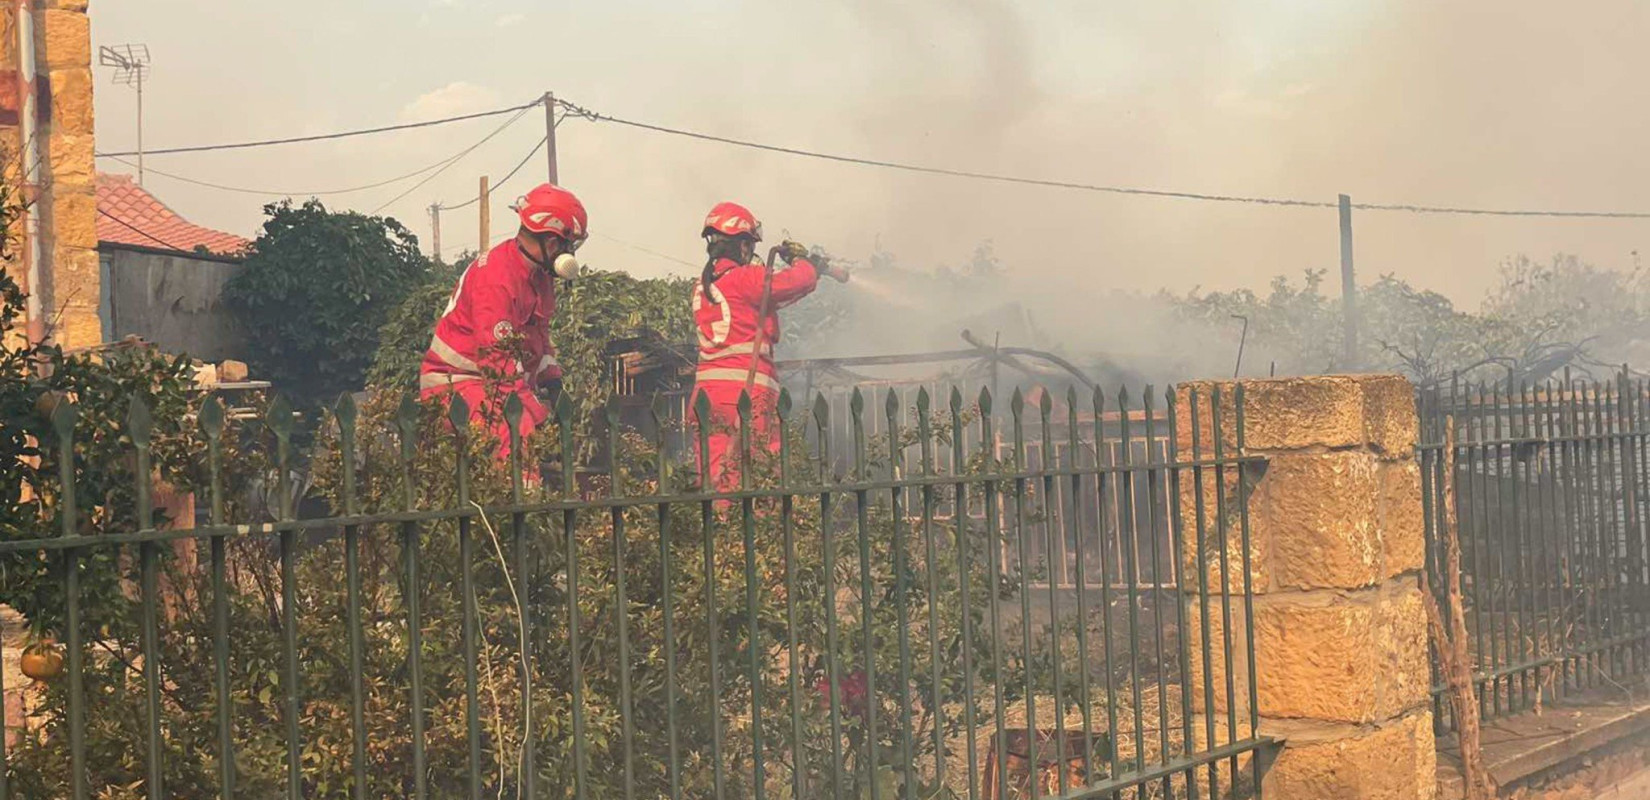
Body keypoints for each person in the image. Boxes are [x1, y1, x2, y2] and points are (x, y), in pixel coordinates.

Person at [420, 183, 587, 460]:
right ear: (552, 242)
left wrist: (554, 384)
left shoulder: (540, 277)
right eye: (570, 245)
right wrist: (537, 412)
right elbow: (498, 366)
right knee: (516, 426)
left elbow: (540, 339)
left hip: (486, 382)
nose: (570, 253)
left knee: (528, 421)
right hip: (456, 383)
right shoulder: (496, 279)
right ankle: (525, 498)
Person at [690, 201, 848, 490]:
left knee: (714, 477)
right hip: (746, 394)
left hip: (707, 396)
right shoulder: (744, 278)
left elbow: (771, 298)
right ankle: (756, 532)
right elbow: (792, 283)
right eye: (748, 244)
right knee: (760, 473)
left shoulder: (703, 286)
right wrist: (805, 263)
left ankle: (718, 530)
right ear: (740, 245)